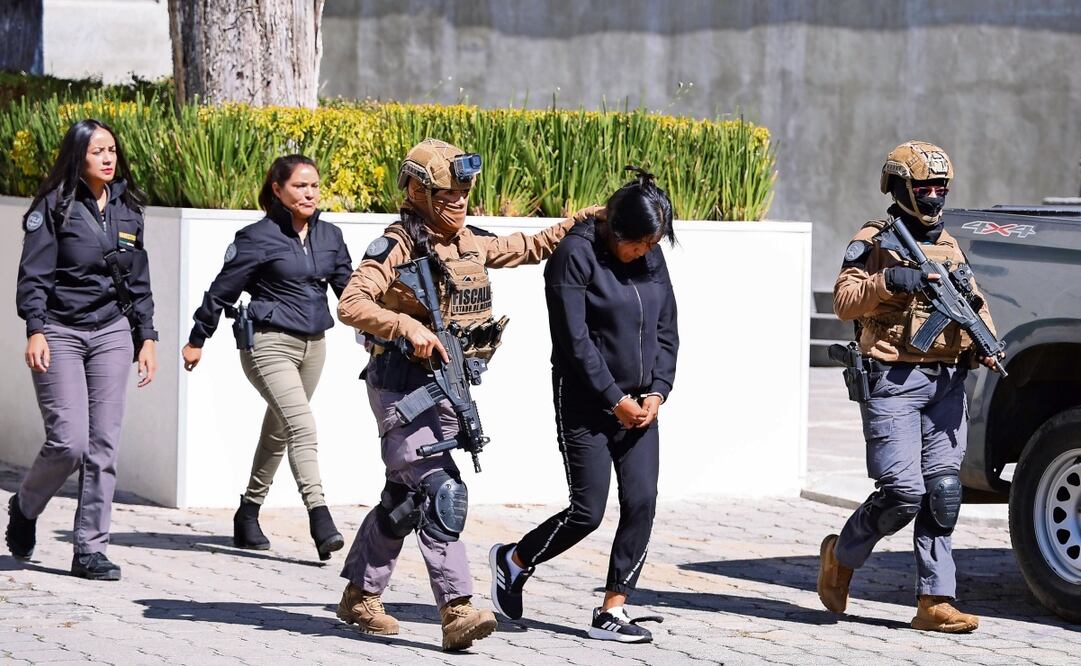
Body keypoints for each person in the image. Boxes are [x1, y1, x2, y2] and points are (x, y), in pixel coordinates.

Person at [333, 138, 600, 651]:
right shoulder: (397, 245)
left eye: (463, 193)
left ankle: (359, 594)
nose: (458, 202)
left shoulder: (470, 242)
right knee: (441, 491)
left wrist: (584, 219)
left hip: (448, 389)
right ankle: (456, 609)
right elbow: (352, 303)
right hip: (401, 387)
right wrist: (404, 328)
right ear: (415, 191)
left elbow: (529, 245)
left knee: (405, 497)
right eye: (445, 194)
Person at [488, 167, 679, 644]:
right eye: (639, 245)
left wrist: (657, 391)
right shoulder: (574, 255)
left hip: (640, 403)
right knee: (587, 511)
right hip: (585, 400)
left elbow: (667, 329)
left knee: (642, 502)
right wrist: (614, 400)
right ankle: (514, 560)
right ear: (616, 232)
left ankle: (614, 607)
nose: (647, 253)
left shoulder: (651, 254)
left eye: (654, 244)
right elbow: (573, 343)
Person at [818, 140, 1001, 632]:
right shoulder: (874, 239)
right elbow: (843, 302)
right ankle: (841, 554)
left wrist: (986, 341)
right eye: (925, 186)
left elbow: (973, 300)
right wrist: (888, 281)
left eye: (941, 186)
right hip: (894, 378)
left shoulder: (948, 243)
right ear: (899, 186)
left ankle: (934, 601)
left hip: (946, 381)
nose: (935, 194)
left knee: (943, 491)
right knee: (903, 491)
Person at [7, 118, 158, 581]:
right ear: (78, 156)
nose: (108, 158)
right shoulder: (52, 207)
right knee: (68, 442)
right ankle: (26, 505)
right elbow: (33, 275)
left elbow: (138, 281)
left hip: (112, 331)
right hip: (60, 331)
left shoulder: (129, 208)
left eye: (112, 149)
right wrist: (35, 328)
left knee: (103, 445)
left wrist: (146, 335)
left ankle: (90, 549)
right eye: (97, 151)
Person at [181, 155, 352, 561]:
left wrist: (381, 331)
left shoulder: (330, 236)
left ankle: (248, 512)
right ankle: (320, 516)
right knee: (302, 426)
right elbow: (221, 290)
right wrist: (197, 338)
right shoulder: (256, 237)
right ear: (278, 190)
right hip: (268, 344)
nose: (309, 192)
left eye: (314, 185)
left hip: (315, 346)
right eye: (299, 186)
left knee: (279, 430)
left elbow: (350, 293)